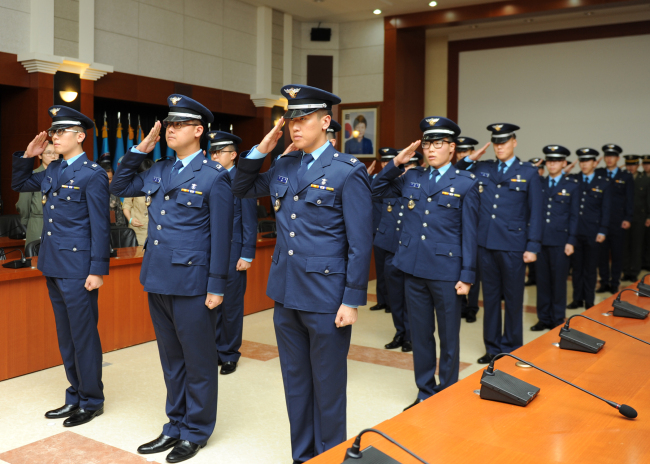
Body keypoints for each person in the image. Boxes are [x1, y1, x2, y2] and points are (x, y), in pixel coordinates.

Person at [232, 84, 372, 464]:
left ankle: (329, 456)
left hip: (327, 297)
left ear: (325, 122)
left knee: (327, 387)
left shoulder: (347, 171)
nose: (295, 127)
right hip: (286, 292)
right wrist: (264, 146)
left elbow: (360, 243)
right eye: (291, 120)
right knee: (296, 384)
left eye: (303, 119)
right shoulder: (285, 164)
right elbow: (240, 186)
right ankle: (303, 456)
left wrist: (352, 299)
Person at [110, 95, 234, 463]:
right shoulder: (160, 169)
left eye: (179, 125)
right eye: (169, 124)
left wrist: (216, 286)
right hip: (159, 277)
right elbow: (118, 188)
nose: (171, 129)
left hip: (194, 282)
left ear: (198, 131)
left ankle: (196, 430)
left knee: (198, 360)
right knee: (171, 360)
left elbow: (222, 238)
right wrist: (139, 149)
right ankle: (175, 424)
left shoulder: (214, 177)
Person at [12, 106, 110, 427]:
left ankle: (92, 399)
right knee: (66, 335)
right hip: (53, 263)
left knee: (83, 335)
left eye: (60, 132)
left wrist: (98, 269)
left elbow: (100, 225)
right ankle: (76, 394)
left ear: (79, 136)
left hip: (79, 267)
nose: (54, 136)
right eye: (53, 132)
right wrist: (29, 155)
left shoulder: (92, 173)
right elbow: (20, 182)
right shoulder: (54, 170)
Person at [373, 116, 479, 408]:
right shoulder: (411, 176)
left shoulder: (466, 183)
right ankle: (425, 391)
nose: (431, 149)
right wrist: (395, 163)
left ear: (452, 148)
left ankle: (447, 392)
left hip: (446, 271)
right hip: (412, 268)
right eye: (428, 143)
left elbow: (470, 235)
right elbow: (374, 189)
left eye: (439, 143)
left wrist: (467, 275)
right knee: (420, 335)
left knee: (448, 337)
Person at [456, 123, 542, 364]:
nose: (499, 146)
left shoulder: (528, 172)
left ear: (514, 142)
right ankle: (492, 348)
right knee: (490, 299)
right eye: (496, 142)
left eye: (504, 142)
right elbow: (456, 169)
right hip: (485, 244)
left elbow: (535, 212)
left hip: (513, 245)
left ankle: (513, 347)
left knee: (513, 299)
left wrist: (532, 246)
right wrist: (471, 157)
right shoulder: (483, 167)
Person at [207, 130, 257, 375]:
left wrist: (247, 254)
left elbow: (249, 220)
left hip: (233, 253)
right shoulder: (208, 178)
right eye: (213, 151)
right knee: (210, 304)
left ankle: (229, 354)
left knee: (231, 306)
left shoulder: (240, 181)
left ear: (234, 155)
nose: (215, 156)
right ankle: (214, 349)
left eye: (221, 152)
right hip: (208, 253)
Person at [530, 146, 579, 331]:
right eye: (549, 160)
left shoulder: (572, 186)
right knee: (542, 282)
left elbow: (574, 216)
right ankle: (543, 318)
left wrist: (571, 241)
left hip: (561, 241)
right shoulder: (539, 183)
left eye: (556, 161)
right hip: (540, 240)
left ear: (564, 163)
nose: (552, 164)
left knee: (558, 282)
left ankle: (558, 318)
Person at [371, 147, 411, 352]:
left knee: (410, 296)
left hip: (409, 249)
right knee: (395, 295)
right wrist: (393, 167)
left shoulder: (417, 185)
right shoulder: (392, 183)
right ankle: (400, 332)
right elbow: (374, 188)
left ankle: (410, 335)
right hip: (389, 247)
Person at [567, 148, 611, 310]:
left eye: (587, 161)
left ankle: (589, 300)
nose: (584, 164)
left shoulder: (603, 182)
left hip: (593, 232)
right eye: (582, 161)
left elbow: (606, 209)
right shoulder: (573, 179)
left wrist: (603, 230)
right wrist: (568, 168)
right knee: (577, 268)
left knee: (590, 268)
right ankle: (577, 299)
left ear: (594, 163)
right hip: (575, 232)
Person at [596, 144, 633, 294]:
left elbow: (630, 199)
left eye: (612, 156)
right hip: (601, 222)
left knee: (617, 254)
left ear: (617, 158)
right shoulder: (599, 173)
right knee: (602, 254)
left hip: (618, 221)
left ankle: (614, 282)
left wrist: (628, 217)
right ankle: (604, 282)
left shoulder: (625, 176)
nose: (609, 159)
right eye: (607, 156)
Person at [455, 137, 481, 323]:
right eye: (460, 151)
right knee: (459, 269)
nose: (463, 154)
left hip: (477, 228)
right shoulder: (455, 172)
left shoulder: (481, 172)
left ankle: (472, 307)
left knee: (473, 270)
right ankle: (461, 305)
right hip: (457, 227)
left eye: (467, 151)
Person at [15, 140, 59, 245]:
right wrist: (27, 222)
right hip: (38, 223)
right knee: (36, 258)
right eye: (49, 153)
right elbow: (23, 204)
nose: (53, 156)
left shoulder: (62, 176)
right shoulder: (33, 176)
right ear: (40, 155)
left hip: (58, 225)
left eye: (56, 153)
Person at [369, 148, 391, 312]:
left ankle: (393, 302)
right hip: (378, 230)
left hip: (393, 230)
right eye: (384, 161)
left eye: (389, 161)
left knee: (392, 271)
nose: (386, 164)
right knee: (380, 269)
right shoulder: (375, 179)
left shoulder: (399, 180)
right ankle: (381, 300)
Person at [622, 155, 649, 281]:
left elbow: (648, 199)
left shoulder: (645, 179)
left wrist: (649, 216)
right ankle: (626, 270)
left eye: (633, 165)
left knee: (637, 246)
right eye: (628, 164)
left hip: (639, 216)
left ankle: (634, 272)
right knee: (625, 245)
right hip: (624, 217)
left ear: (638, 165)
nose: (630, 167)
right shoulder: (623, 178)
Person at [122, 158, 154, 246]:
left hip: (153, 231)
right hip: (137, 230)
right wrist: (130, 219)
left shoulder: (158, 186)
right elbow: (126, 206)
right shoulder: (133, 185)